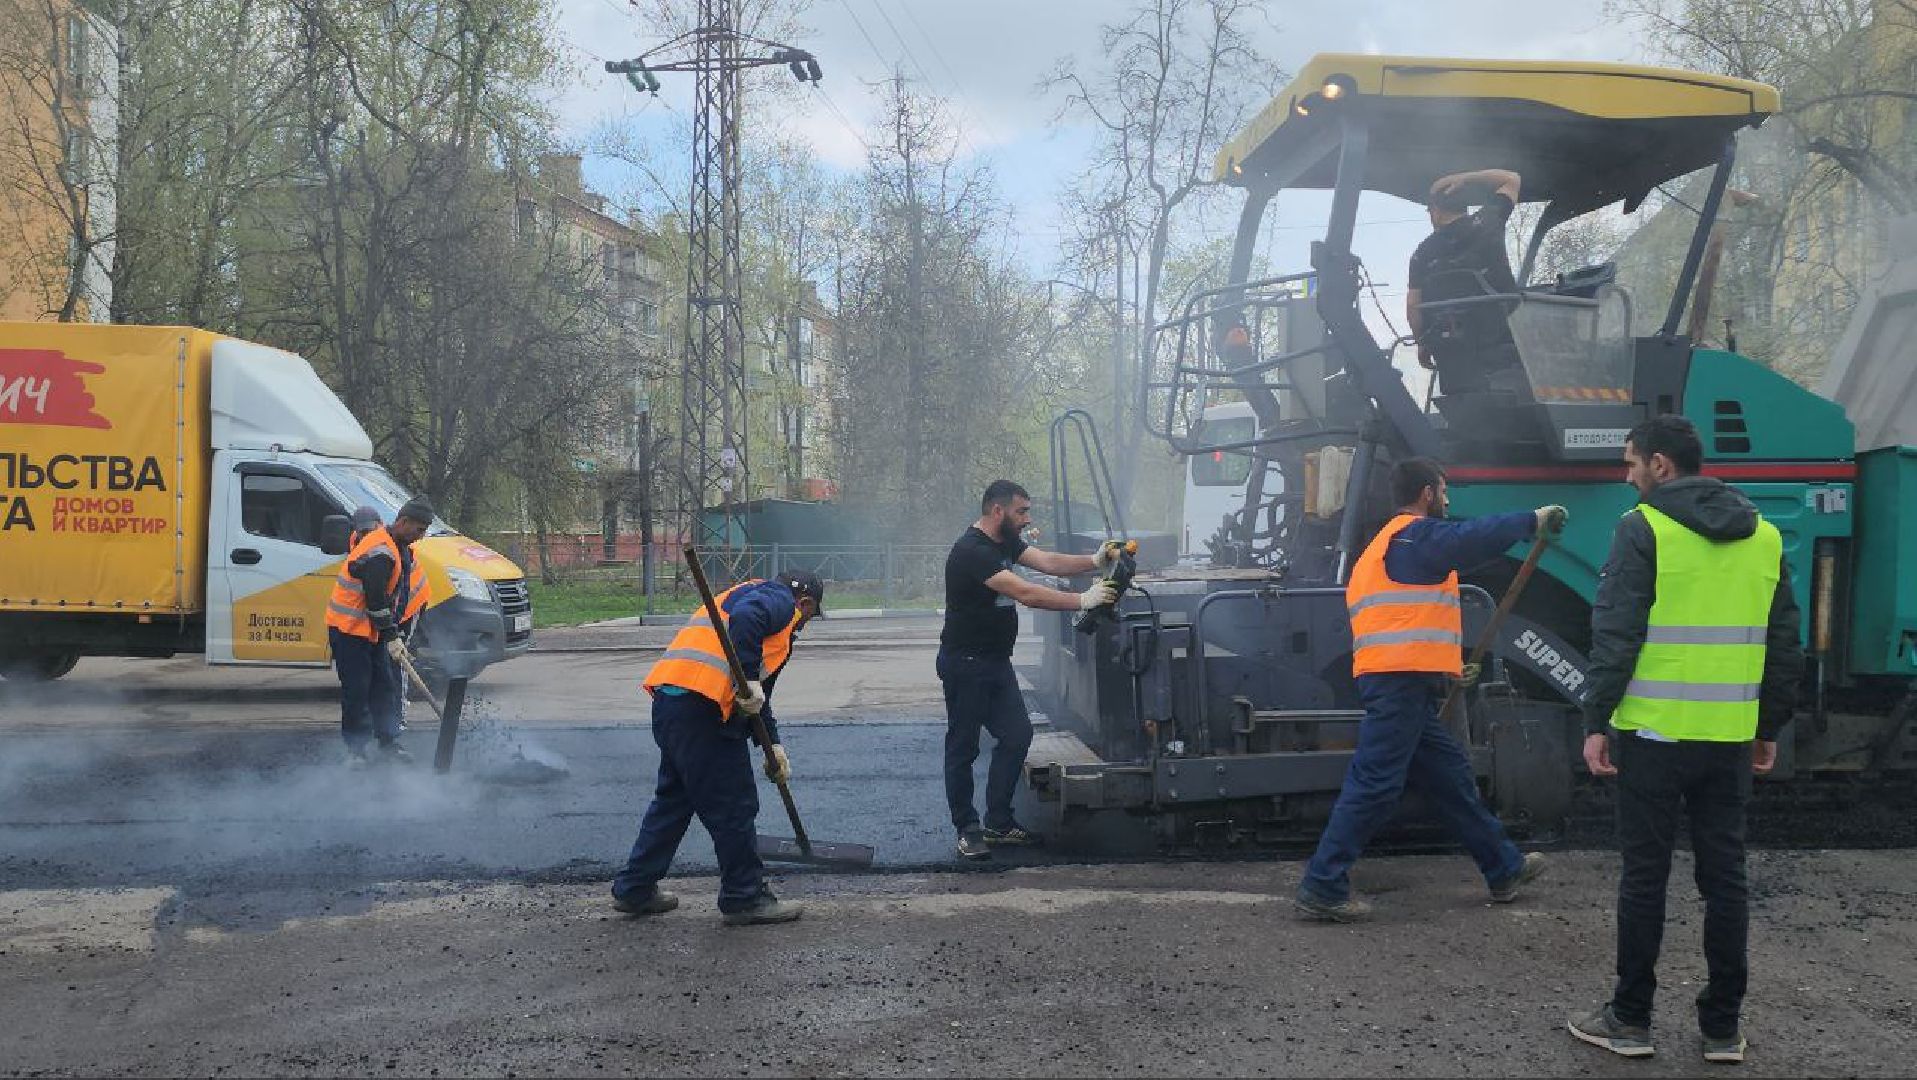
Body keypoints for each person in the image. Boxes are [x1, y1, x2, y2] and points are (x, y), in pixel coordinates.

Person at [1567, 415, 1803, 1064]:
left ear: (1660, 465)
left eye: (1630, 462)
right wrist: (1765, 726)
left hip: (1652, 733)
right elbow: (1784, 644)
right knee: (1723, 879)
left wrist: (1596, 720)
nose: (1627, 475)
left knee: (1643, 879)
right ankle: (1721, 1028)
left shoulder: (1642, 528)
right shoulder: (1763, 535)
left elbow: (1615, 634)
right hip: (1726, 739)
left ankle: (1631, 1021)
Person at [1294, 457, 1562, 921]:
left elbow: (1405, 622)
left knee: (1451, 780)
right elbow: (1468, 538)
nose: (1448, 499)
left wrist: (1447, 671)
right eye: (1443, 490)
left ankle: (1504, 868)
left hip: (1402, 683)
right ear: (1425, 494)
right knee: (1375, 785)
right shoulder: (1412, 536)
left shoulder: (1385, 548)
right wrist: (1530, 521)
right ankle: (1322, 884)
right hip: (1397, 686)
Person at [611, 570, 825, 926]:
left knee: (674, 803)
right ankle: (745, 897)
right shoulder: (777, 601)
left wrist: (773, 746)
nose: (804, 624)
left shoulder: (743, 597)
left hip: (671, 703)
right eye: (811, 615)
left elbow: (758, 699)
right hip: (702, 712)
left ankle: (634, 888)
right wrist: (751, 679)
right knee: (734, 805)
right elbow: (748, 625)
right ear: (804, 602)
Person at [940, 480, 1126, 860]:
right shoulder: (971, 551)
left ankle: (999, 822)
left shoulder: (1004, 542)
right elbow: (1025, 592)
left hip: (994, 662)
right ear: (998, 511)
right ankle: (967, 829)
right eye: (1021, 511)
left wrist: (1094, 562)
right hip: (965, 664)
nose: (1027, 519)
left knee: (1017, 735)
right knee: (963, 747)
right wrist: (1083, 599)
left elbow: (1047, 561)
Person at [324, 499, 434, 767]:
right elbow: (375, 600)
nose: (420, 537)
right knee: (357, 690)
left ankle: (388, 741)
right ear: (403, 522)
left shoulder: (399, 547)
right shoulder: (381, 552)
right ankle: (356, 751)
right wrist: (392, 636)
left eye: (423, 531)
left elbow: (394, 595)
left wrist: (392, 632)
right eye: (418, 530)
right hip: (349, 630)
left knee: (384, 685)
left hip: (369, 631)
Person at [1407, 167, 1524, 396]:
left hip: (1454, 358)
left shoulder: (1421, 254)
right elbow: (1512, 178)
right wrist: (1463, 179)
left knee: (1466, 414)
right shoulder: (1488, 222)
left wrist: (1423, 343)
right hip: (1503, 348)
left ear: (1437, 211)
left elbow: (1413, 308)